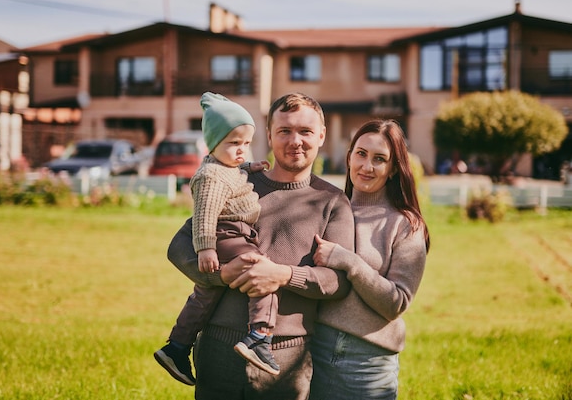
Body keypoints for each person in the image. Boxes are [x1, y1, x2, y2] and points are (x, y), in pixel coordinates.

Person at [166, 92, 355, 399]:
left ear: (322, 135)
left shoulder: (332, 202)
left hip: (285, 357)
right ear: (268, 135)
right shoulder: (235, 183)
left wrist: (283, 275)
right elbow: (179, 247)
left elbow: (339, 283)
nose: (295, 140)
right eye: (285, 131)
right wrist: (221, 275)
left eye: (305, 131)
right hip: (217, 346)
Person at [155, 92, 279, 385]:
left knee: (205, 293)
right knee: (262, 271)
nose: (241, 151)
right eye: (234, 143)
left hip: (227, 235)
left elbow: (233, 173)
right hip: (227, 234)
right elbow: (205, 214)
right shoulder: (211, 176)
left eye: (246, 144)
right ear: (213, 142)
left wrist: (251, 168)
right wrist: (206, 248)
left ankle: (177, 347)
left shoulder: (224, 168)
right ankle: (259, 335)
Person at [309, 119, 430, 400]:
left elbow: (396, 303)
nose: (367, 166)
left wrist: (349, 262)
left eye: (379, 159)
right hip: (314, 348)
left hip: (367, 363)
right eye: (361, 154)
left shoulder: (405, 225)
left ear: (392, 169)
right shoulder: (326, 209)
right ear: (349, 156)